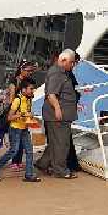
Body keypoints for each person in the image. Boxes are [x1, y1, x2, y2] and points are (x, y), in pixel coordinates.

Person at [35, 50, 79, 178]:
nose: (72, 65)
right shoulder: (57, 73)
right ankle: (60, 170)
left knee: (55, 142)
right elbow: (51, 94)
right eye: (71, 62)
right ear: (63, 60)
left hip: (59, 114)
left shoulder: (61, 72)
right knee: (62, 143)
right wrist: (57, 108)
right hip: (58, 115)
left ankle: (43, 164)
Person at [0, 79, 40, 183]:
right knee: (13, 151)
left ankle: (29, 175)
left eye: (33, 89)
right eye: (31, 89)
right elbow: (9, 117)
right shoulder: (17, 100)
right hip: (15, 129)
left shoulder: (29, 99)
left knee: (29, 151)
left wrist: (30, 117)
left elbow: (26, 113)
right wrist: (23, 115)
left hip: (24, 128)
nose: (32, 91)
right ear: (24, 89)